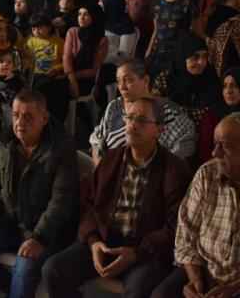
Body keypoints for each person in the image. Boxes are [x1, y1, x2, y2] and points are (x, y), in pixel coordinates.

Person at [44, 96, 192, 298]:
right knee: (53, 270)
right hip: (105, 242)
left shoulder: (175, 170)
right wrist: (93, 241)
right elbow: (88, 205)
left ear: (159, 130)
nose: (131, 125)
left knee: (138, 290)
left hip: (145, 252)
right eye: (129, 118)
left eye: (141, 120)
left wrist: (136, 254)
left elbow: (175, 227)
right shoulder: (112, 158)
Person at [0, 90, 79, 298]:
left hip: (48, 233)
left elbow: (61, 202)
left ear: (44, 119)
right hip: (12, 225)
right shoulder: (3, 143)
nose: (19, 122)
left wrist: (39, 238)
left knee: (24, 268)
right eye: (16, 115)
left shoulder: (61, 149)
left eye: (28, 117)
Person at [153, 115, 240, 298]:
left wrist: (233, 289)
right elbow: (185, 236)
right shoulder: (207, 175)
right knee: (161, 295)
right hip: (203, 271)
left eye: (224, 146)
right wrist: (196, 280)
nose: (214, 153)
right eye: (215, 144)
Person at [91, 60, 197, 163]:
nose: (122, 87)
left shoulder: (169, 113)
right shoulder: (115, 106)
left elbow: (180, 154)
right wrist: (101, 167)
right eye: (118, 81)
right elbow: (97, 140)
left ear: (146, 80)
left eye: (128, 80)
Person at [153, 33, 221, 164]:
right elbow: (156, 113)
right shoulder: (165, 80)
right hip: (167, 143)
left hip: (204, 150)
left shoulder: (212, 81)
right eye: (195, 57)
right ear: (182, 56)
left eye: (205, 57)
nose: (202, 62)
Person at [146, 0, 193, 77]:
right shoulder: (156, 3)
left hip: (178, 55)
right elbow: (156, 30)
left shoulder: (187, 5)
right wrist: (148, 51)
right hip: (158, 53)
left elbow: (194, 32)